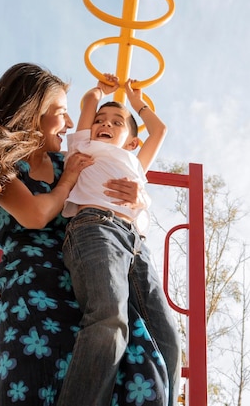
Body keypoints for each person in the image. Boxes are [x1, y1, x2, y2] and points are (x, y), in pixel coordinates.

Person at [0, 63, 167, 406]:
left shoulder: (69, 161)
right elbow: (35, 214)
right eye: (61, 113)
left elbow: (121, 181)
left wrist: (139, 196)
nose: (72, 123)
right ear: (33, 112)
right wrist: (66, 182)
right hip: (35, 293)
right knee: (36, 385)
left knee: (131, 370)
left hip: (83, 282)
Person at [57, 75, 181, 406]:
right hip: (94, 226)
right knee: (109, 318)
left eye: (116, 122)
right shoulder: (85, 146)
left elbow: (159, 132)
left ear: (131, 142)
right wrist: (101, 91)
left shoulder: (137, 165)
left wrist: (136, 97)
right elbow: (87, 104)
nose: (105, 124)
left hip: (136, 245)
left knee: (167, 335)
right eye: (100, 120)